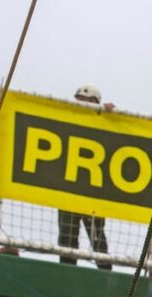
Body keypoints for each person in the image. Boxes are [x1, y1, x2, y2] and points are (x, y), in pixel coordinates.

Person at [57, 85, 115, 269]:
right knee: (67, 237)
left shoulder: (103, 123)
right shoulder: (69, 121)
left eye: (86, 101)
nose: (81, 104)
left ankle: (105, 273)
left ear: (94, 103)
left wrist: (107, 114)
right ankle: (66, 272)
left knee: (97, 236)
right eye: (79, 100)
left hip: (93, 193)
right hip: (69, 191)